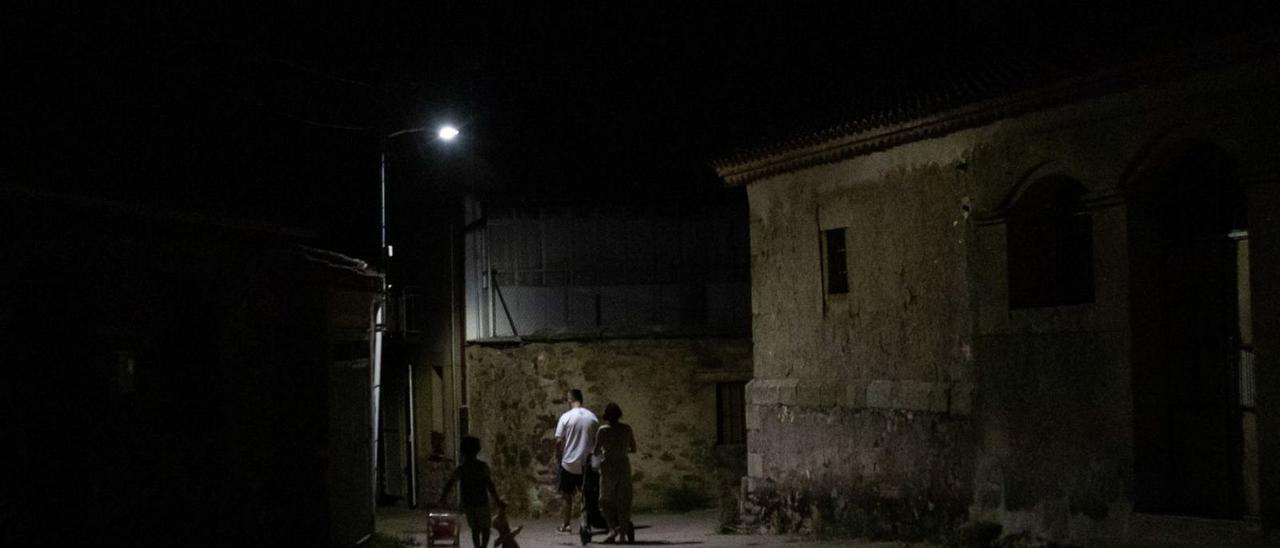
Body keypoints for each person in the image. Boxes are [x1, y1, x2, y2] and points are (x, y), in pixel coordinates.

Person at [440, 436, 505, 548]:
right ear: (478, 450)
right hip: (482, 502)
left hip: (469, 503)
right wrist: (497, 500)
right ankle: (483, 546)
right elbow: (490, 485)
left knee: (475, 530)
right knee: (485, 529)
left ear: (462, 451)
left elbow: (450, 483)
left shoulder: (462, 469)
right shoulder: (482, 467)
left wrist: (443, 497)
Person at [555, 388, 599, 533]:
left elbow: (559, 441)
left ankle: (566, 525)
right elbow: (596, 441)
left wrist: (558, 457)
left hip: (568, 462)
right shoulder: (592, 418)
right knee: (586, 495)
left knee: (566, 496)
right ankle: (586, 523)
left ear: (569, 400)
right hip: (586, 463)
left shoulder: (565, 417)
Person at [592, 403, 638, 544]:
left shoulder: (603, 431)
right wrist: (622, 450)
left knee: (605, 500)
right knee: (624, 500)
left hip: (608, 466)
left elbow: (596, 451)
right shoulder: (626, 429)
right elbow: (633, 448)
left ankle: (612, 528)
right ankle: (623, 534)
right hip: (623, 465)